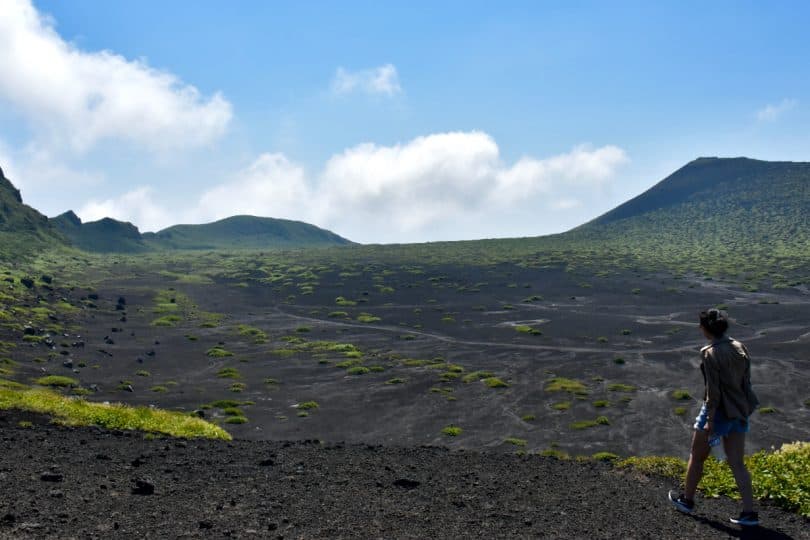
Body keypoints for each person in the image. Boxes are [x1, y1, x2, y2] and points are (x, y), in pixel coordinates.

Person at [668, 308, 760, 526]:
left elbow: (713, 391)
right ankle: (749, 513)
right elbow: (746, 382)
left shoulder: (709, 352)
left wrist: (710, 420)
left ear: (705, 329)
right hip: (739, 410)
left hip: (718, 412)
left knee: (697, 456)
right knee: (737, 463)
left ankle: (687, 500)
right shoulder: (739, 347)